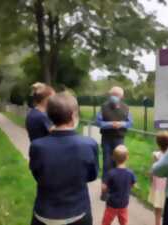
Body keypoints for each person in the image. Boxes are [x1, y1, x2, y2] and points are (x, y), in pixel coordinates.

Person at [29, 92, 99, 225]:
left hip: (44, 214)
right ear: (73, 115)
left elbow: (37, 175)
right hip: (78, 213)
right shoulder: (89, 144)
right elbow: (92, 176)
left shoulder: (37, 146)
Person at [96, 87, 133, 195]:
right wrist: (111, 124)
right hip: (106, 139)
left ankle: (117, 189)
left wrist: (122, 124)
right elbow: (98, 122)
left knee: (119, 164)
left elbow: (130, 123)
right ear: (109, 95)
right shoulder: (103, 107)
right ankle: (105, 191)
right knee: (107, 163)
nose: (114, 96)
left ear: (121, 96)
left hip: (119, 139)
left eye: (117, 95)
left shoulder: (126, 108)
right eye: (113, 94)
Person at [101, 145, 136, 225]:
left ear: (113, 158)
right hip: (124, 203)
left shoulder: (111, 173)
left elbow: (104, 188)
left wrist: (104, 189)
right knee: (123, 222)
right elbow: (133, 185)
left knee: (106, 222)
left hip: (112, 204)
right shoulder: (130, 173)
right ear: (127, 157)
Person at [148, 131, 168, 225]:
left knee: (158, 208)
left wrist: (151, 179)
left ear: (158, 143)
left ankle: (157, 223)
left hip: (157, 186)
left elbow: (152, 170)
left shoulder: (156, 155)